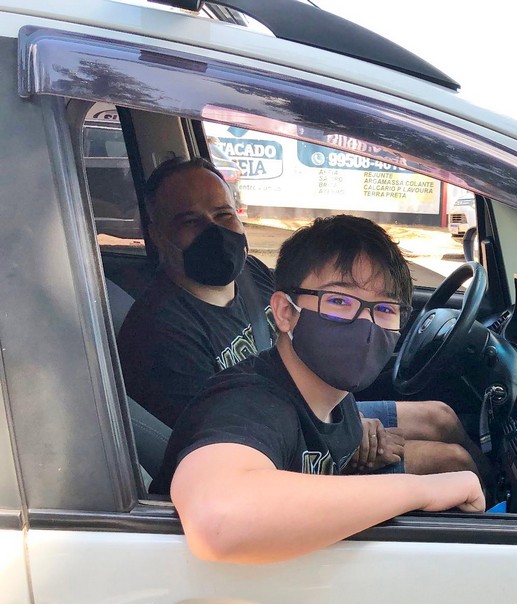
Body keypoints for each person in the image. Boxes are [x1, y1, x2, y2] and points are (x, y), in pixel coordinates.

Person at [149, 215, 486, 563]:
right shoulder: (249, 404)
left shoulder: (330, 395)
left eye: (384, 308)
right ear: (285, 312)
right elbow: (219, 519)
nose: (365, 323)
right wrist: (425, 489)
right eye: (338, 301)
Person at [117, 156, 479, 475]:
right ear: (157, 234)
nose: (214, 230)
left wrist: (350, 419)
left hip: (316, 409)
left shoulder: (250, 273)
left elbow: (307, 356)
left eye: (223, 214)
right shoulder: (161, 333)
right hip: (287, 449)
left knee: (441, 417)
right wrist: (351, 438)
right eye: (190, 221)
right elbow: (220, 440)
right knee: (451, 462)